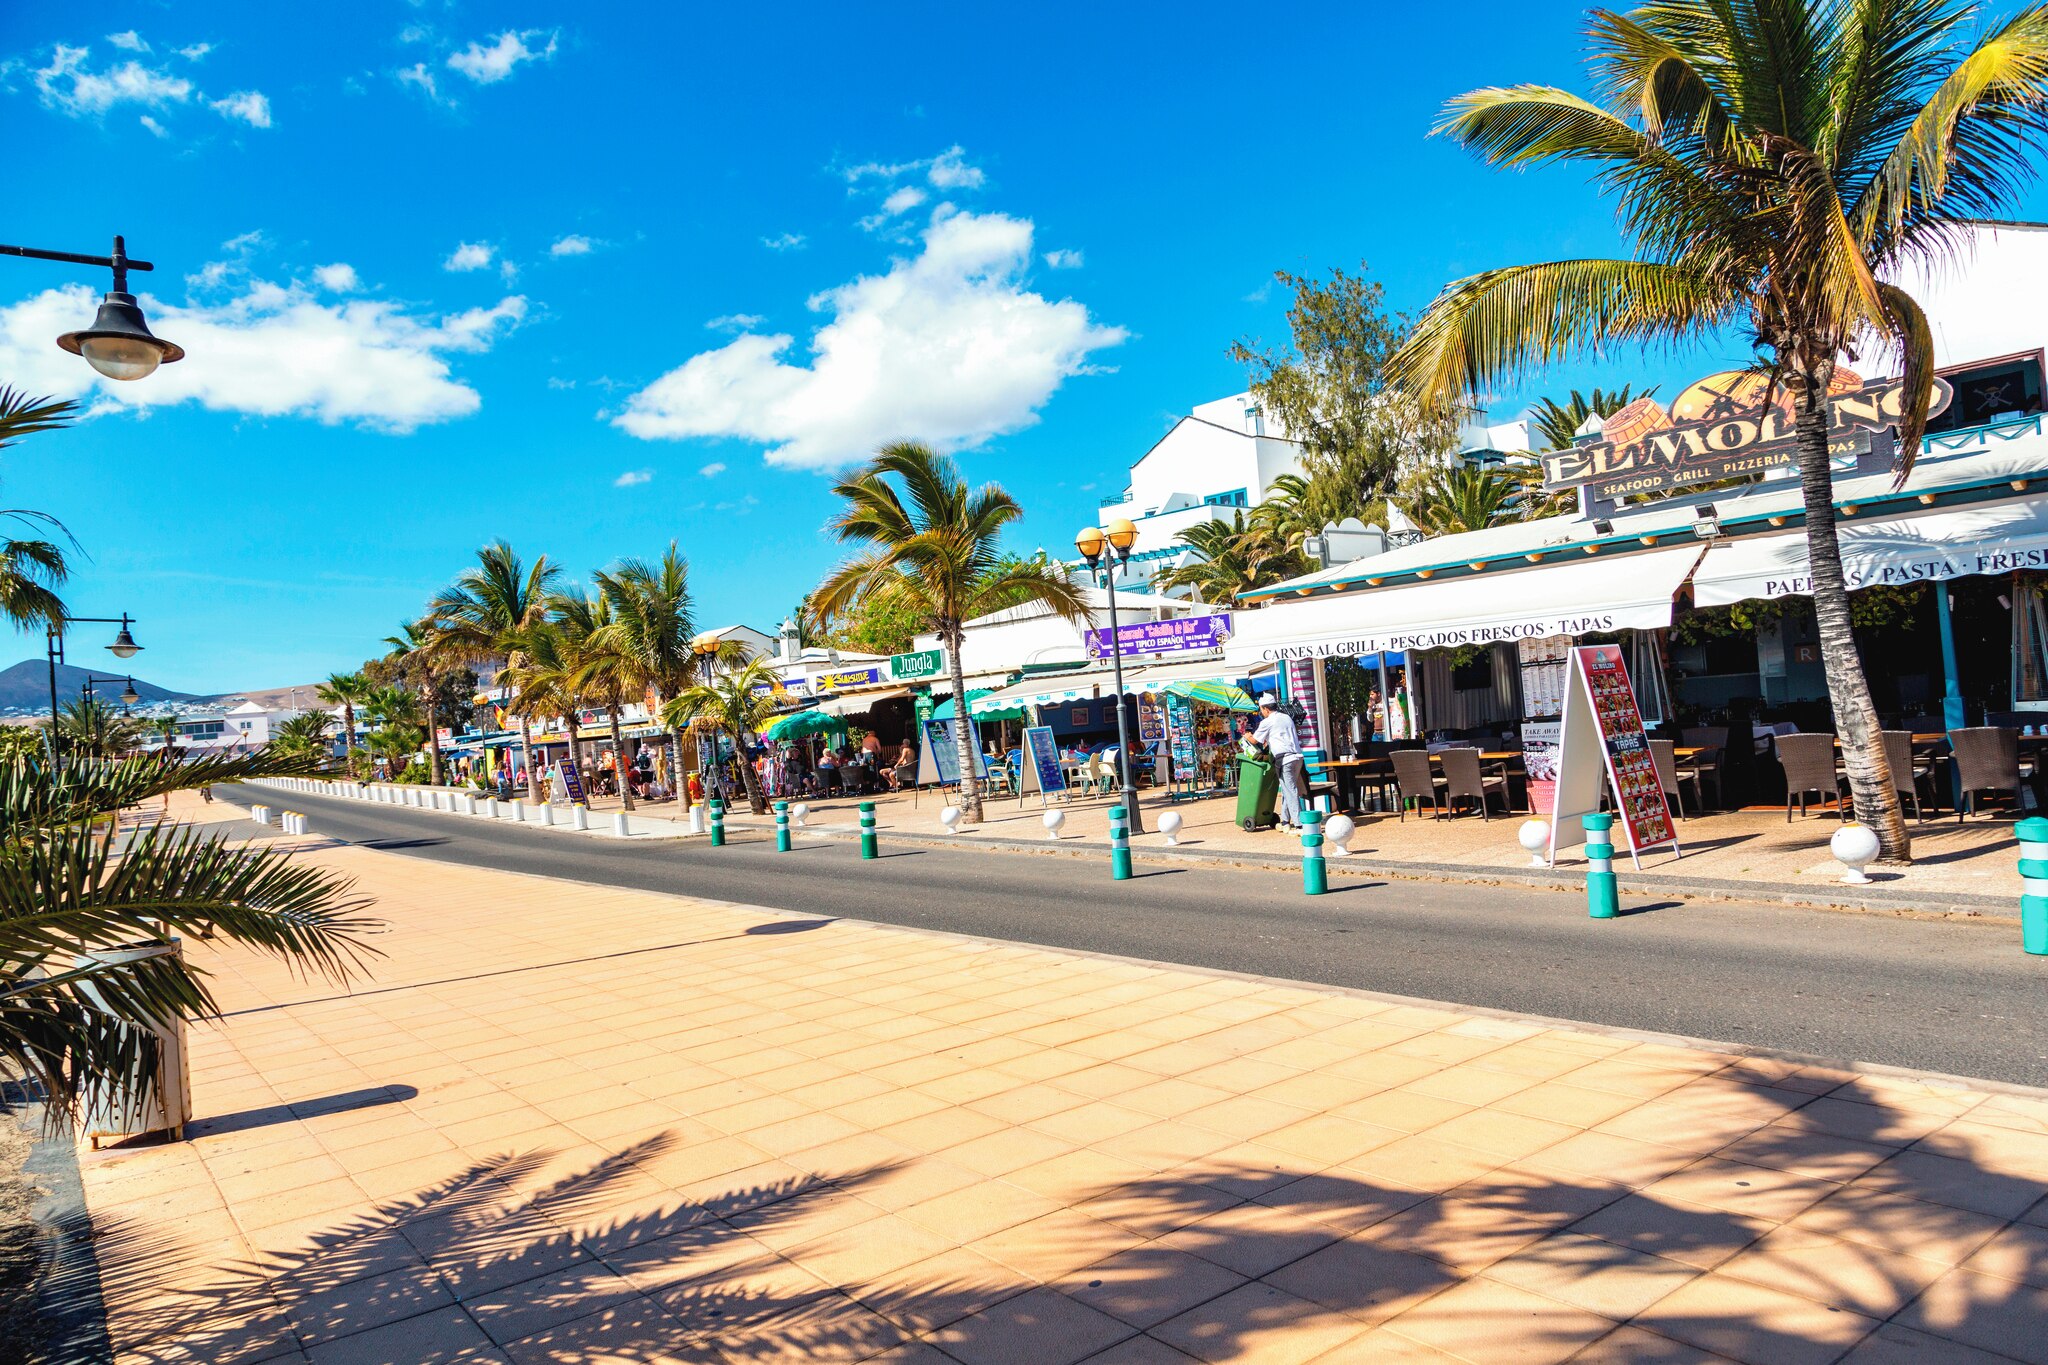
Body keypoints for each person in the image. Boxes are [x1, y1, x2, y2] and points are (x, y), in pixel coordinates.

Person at [1249, 693, 1306, 830]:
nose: (1261, 713)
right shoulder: (1286, 717)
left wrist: (1246, 735)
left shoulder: (1267, 721)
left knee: (1290, 790)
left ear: (1266, 709)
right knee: (1288, 788)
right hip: (1298, 757)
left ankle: (1299, 824)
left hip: (1285, 759)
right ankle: (1285, 820)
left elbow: (1254, 740)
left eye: (1261, 710)